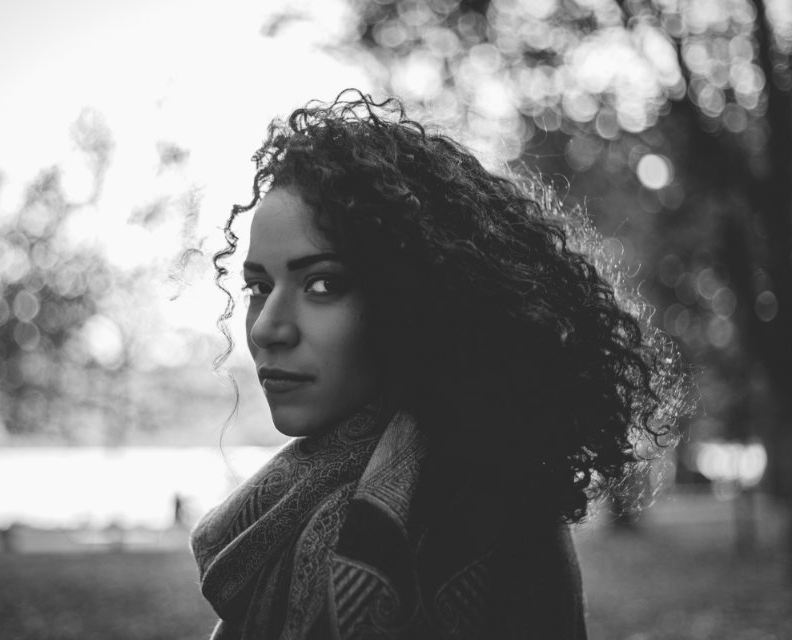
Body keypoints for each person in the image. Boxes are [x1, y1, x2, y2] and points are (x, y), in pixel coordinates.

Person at [190, 91, 686, 639]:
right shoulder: (301, 501)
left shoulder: (484, 514)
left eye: (322, 284)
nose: (266, 328)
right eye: (258, 287)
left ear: (414, 299)